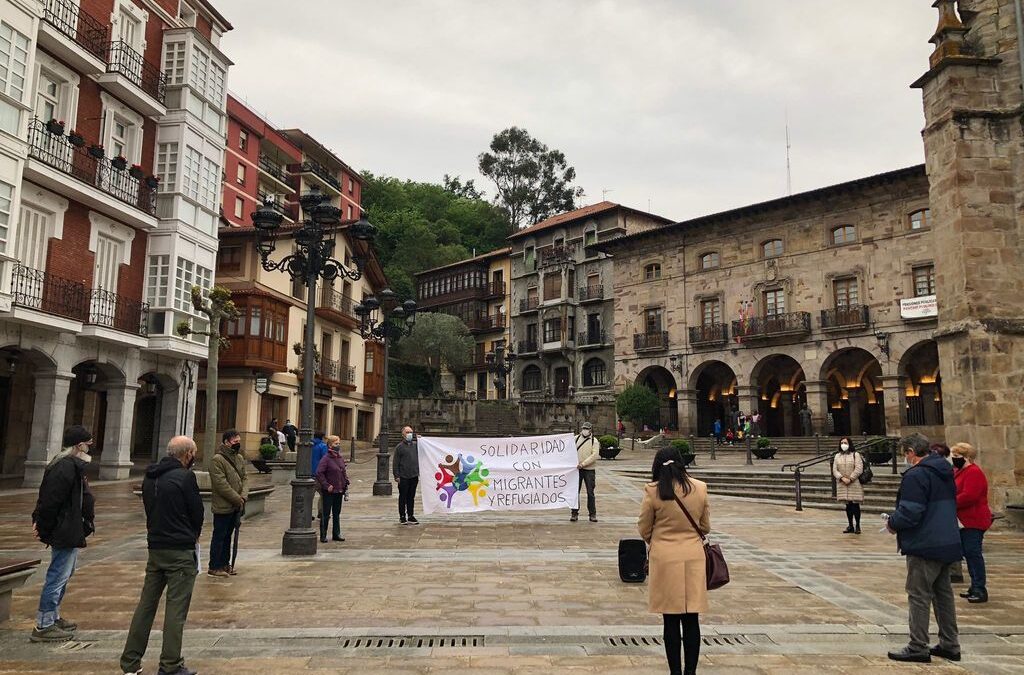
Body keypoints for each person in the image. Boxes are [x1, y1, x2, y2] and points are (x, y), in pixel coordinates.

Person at [120, 436, 203, 675]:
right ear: (187, 454)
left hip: (155, 547)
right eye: (193, 453)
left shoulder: (150, 477)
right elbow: (196, 513)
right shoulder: (186, 477)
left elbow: (149, 509)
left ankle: (130, 662)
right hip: (179, 551)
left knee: (145, 606)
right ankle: (171, 664)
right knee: (176, 610)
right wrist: (192, 535)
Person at [885, 433, 961, 664]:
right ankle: (950, 644)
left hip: (925, 542)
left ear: (910, 452)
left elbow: (910, 511)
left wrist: (892, 523)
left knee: (918, 594)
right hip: (947, 540)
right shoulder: (945, 470)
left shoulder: (917, 475)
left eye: (904, 454)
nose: (905, 458)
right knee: (943, 594)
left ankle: (918, 646)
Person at [638, 445, 710, 675]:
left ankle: (675, 673)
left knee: (670, 621)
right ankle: (691, 672)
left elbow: (644, 528)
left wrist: (659, 540)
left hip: (665, 559)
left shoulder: (654, 490)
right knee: (692, 620)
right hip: (693, 557)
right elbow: (705, 526)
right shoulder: (700, 488)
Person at [29, 425, 96, 643]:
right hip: (64, 528)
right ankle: (44, 624)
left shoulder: (71, 465)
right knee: (58, 575)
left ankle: (54, 616)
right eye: (88, 444)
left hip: (70, 527)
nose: (89, 448)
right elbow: (50, 500)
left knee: (65, 573)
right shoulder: (64, 467)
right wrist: (42, 525)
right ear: (79, 445)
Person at [951, 442, 993, 604]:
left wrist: (950, 502)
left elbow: (969, 496)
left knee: (973, 553)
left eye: (957, 457)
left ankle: (979, 588)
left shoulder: (974, 472)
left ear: (967, 457)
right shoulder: (960, 471)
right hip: (964, 520)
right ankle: (973, 586)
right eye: (953, 456)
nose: (954, 459)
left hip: (973, 520)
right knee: (968, 553)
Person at [208, 430, 248, 577]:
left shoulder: (239, 458)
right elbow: (221, 484)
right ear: (226, 442)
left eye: (238, 441)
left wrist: (243, 496)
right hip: (223, 506)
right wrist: (237, 498)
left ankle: (225, 563)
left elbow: (245, 478)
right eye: (234, 441)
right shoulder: (217, 460)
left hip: (236, 506)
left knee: (228, 536)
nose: (237, 444)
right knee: (219, 536)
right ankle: (214, 565)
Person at [930, 443, 964, 583]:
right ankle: (951, 570)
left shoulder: (946, 470)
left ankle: (954, 571)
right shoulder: (949, 470)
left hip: (946, 510)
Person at [315, 434, 350, 543]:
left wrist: (345, 482)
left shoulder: (339, 458)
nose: (338, 445)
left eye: (339, 443)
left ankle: (336, 533)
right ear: (330, 445)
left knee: (336, 513)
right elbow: (319, 473)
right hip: (329, 490)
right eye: (336, 444)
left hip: (339, 490)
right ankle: (323, 534)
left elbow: (342, 471)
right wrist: (326, 485)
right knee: (326, 513)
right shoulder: (326, 458)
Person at [832, 437, 864, 534]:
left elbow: (859, 468)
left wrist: (850, 478)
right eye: (841, 443)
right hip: (842, 483)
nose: (843, 444)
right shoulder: (837, 456)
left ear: (849, 444)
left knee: (855, 505)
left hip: (853, 483)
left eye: (845, 442)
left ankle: (857, 525)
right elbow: (834, 469)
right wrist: (841, 478)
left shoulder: (855, 455)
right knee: (848, 505)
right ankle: (850, 525)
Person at [571, 421, 600, 523]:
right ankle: (574, 513)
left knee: (590, 492)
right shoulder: (576, 439)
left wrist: (583, 464)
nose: (585, 430)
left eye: (587, 429)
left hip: (589, 470)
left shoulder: (594, 441)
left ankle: (592, 514)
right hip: (577, 470)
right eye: (584, 428)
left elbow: (594, 456)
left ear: (590, 430)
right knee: (575, 492)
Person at [393, 426, 420, 524]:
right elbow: (395, 463)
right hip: (403, 476)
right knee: (403, 497)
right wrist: (396, 476)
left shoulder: (416, 445)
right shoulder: (399, 447)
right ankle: (402, 516)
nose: (410, 434)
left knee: (411, 497)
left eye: (411, 432)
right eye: (408, 432)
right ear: (403, 434)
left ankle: (411, 515)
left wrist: (422, 440)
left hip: (414, 475)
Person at [311, 431, 328, 521]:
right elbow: (325, 459)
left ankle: (308, 513)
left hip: (308, 474)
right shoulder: (323, 446)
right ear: (322, 437)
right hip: (319, 474)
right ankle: (321, 512)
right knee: (323, 494)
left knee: (309, 496)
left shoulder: (308, 445)